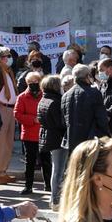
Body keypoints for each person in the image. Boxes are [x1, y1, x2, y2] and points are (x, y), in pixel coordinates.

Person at [63, 64, 110, 157]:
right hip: (90, 139)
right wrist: (106, 135)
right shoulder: (94, 93)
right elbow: (102, 118)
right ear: (87, 76)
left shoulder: (66, 95)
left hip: (72, 139)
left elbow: (64, 120)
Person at [37, 73, 68, 205]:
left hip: (49, 137)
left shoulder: (43, 99)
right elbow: (60, 123)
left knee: (56, 169)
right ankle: (55, 199)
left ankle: (54, 198)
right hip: (57, 139)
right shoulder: (56, 101)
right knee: (59, 170)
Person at [13, 70, 45, 197]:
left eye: (36, 81)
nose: (33, 84)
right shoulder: (22, 97)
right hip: (29, 134)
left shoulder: (45, 95)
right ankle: (28, 186)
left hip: (43, 133)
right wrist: (33, 119)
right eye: (30, 82)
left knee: (46, 161)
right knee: (30, 161)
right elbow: (17, 114)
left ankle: (48, 185)